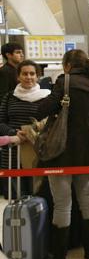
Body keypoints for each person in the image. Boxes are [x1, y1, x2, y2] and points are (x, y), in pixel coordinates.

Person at [33, 49, 89, 259]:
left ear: (67, 64)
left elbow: (45, 108)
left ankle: (59, 258)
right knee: (86, 198)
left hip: (62, 151)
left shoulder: (64, 81)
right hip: (87, 151)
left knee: (62, 204)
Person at [0, 60, 51, 196]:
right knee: (16, 196)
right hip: (13, 151)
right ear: (18, 76)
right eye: (25, 74)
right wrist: (13, 133)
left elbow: (52, 122)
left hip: (38, 150)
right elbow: (1, 122)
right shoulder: (10, 97)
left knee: (39, 195)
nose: (28, 77)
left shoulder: (47, 97)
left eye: (32, 74)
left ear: (37, 76)